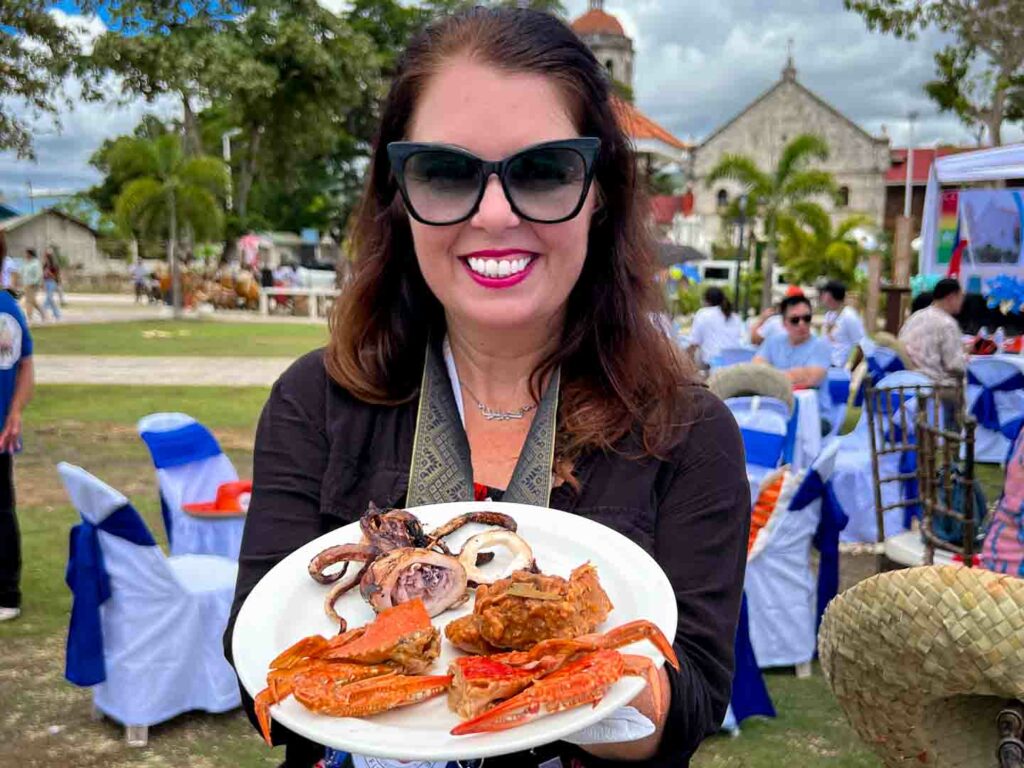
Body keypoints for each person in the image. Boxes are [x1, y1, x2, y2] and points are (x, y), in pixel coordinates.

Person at [224, 9, 749, 768]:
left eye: (544, 171)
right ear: (399, 195)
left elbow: (692, 703)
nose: (496, 215)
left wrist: (558, 666)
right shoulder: (318, 401)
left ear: (598, 191)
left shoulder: (685, 429)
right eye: (446, 172)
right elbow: (264, 682)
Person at [0, 261, 35, 621]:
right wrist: (16, 411)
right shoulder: (11, 309)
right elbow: (27, 368)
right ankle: (8, 592)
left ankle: (7, 592)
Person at [754, 294, 831, 391]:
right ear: (784, 323)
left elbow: (811, 378)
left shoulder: (821, 345)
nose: (801, 324)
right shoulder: (773, 341)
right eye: (795, 320)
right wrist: (793, 374)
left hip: (810, 404)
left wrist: (769, 375)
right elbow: (756, 368)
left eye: (806, 318)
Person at [898, 278, 966, 386]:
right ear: (952, 297)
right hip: (933, 387)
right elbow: (954, 365)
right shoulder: (948, 324)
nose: (962, 302)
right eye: (961, 297)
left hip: (904, 382)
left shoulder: (915, 317)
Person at [689, 286, 743, 367]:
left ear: (707, 301)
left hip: (713, 365)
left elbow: (694, 343)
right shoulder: (736, 317)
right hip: (735, 364)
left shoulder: (703, 314)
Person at [820, 280, 864, 368]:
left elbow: (861, 347)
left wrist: (851, 371)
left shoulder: (849, 316)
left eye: (823, 293)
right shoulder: (829, 314)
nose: (821, 296)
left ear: (829, 296)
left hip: (837, 369)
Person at [20, 249, 44, 322]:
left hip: (32, 285)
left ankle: (29, 317)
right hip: (25, 284)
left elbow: (39, 274)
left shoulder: (36, 263)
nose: (25, 255)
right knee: (32, 301)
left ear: (30, 254)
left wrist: (34, 282)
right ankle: (43, 313)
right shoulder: (26, 263)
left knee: (29, 301)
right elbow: (22, 272)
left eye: (27, 254)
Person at [42, 250, 61, 321]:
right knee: (50, 299)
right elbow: (43, 275)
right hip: (46, 282)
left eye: (46, 256)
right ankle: (57, 314)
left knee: (49, 297)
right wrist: (43, 283)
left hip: (52, 282)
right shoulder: (45, 265)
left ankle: (43, 309)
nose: (45, 258)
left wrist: (50, 273)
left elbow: (56, 275)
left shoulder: (54, 265)